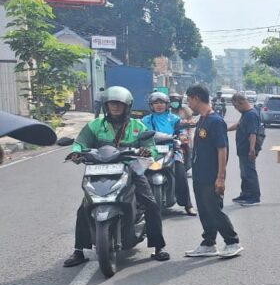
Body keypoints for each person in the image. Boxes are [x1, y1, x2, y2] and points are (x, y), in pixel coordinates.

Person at [63, 86, 170, 267]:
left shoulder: (137, 126)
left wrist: (146, 151)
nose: (115, 107)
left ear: (127, 106)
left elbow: (150, 146)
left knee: (151, 203)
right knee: (84, 208)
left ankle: (158, 246)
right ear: (106, 105)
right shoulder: (95, 125)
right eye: (112, 103)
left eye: (119, 104)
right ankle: (79, 251)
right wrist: (76, 153)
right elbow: (80, 143)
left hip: (130, 169)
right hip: (99, 171)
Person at [183, 84, 243, 259]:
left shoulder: (215, 121)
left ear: (196, 98)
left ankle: (232, 241)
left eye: (189, 100)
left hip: (211, 175)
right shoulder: (202, 119)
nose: (188, 104)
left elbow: (222, 149)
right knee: (203, 209)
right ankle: (208, 243)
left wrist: (220, 177)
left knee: (214, 209)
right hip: (199, 174)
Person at [141, 92, 195, 216]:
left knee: (180, 173)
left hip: (172, 149)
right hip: (151, 150)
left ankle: (188, 205)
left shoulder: (174, 119)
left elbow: (181, 131)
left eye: (161, 102)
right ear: (151, 105)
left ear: (167, 104)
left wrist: (182, 136)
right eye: (156, 103)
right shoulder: (145, 120)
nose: (159, 105)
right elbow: (139, 132)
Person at [227, 92, 261, 206]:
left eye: (236, 106)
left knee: (250, 173)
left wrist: (252, 149)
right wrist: (226, 129)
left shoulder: (251, 115)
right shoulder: (246, 114)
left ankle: (254, 197)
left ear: (241, 102)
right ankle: (245, 194)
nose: (236, 109)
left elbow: (253, 133)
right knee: (244, 173)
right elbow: (239, 125)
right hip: (242, 149)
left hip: (248, 150)